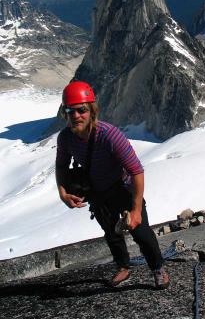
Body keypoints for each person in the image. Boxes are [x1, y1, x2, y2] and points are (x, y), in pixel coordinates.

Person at [55, 80, 170, 289]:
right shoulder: (65, 138)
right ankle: (123, 266)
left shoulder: (109, 135)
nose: (75, 116)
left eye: (81, 110)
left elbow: (136, 170)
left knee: (141, 231)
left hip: (122, 188)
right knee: (111, 232)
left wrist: (135, 210)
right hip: (98, 192)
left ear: (91, 110)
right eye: (70, 111)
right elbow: (61, 167)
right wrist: (63, 193)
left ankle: (158, 267)